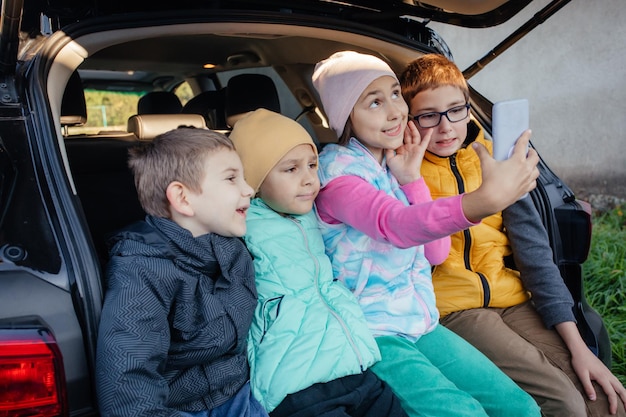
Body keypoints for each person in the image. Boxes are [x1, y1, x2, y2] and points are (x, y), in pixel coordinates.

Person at [311, 50, 541, 417]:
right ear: (346, 117)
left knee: (520, 408)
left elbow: (434, 253)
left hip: (419, 321)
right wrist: (479, 203)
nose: (395, 111)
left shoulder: (390, 166)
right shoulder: (337, 177)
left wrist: (412, 179)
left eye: (394, 94)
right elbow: (396, 226)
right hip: (373, 331)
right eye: (374, 102)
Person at [399, 53, 626, 417]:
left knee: (600, 397)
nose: (446, 128)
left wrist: (579, 345)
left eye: (456, 110)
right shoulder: (403, 170)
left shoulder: (497, 160)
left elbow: (536, 255)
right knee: (564, 402)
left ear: (469, 109)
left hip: (512, 297)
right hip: (455, 309)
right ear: (409, 120)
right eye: (428, 116)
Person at [229, 108, 408, 417]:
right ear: (254, 180)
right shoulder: (243, 221)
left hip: (352, 365)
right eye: (291, 169)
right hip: (296, 384)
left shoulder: (311, 211)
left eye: (312, 165)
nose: (310, 179)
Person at [95, 127, 268, 417]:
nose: (249, 189)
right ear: (183, 198)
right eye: (231, 178)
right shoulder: (140, 271)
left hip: (241, 392)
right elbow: (129, 385)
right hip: (182, 408)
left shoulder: (233, 250)